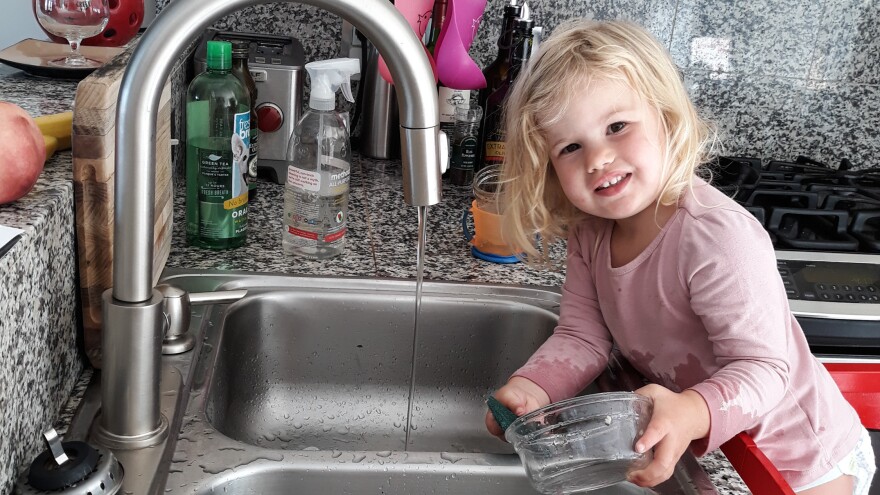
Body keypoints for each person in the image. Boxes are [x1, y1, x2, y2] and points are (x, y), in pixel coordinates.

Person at [485, 19, 876, 494]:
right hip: (708, 447)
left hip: (802, 460)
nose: (598, 159)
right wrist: (534, 388)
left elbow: (763, 370)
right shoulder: (590, 233)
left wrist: (692, 410)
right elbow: (583, 336)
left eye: (617, 127)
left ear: (667, 118)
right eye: (571, 147)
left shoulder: (714, 236)